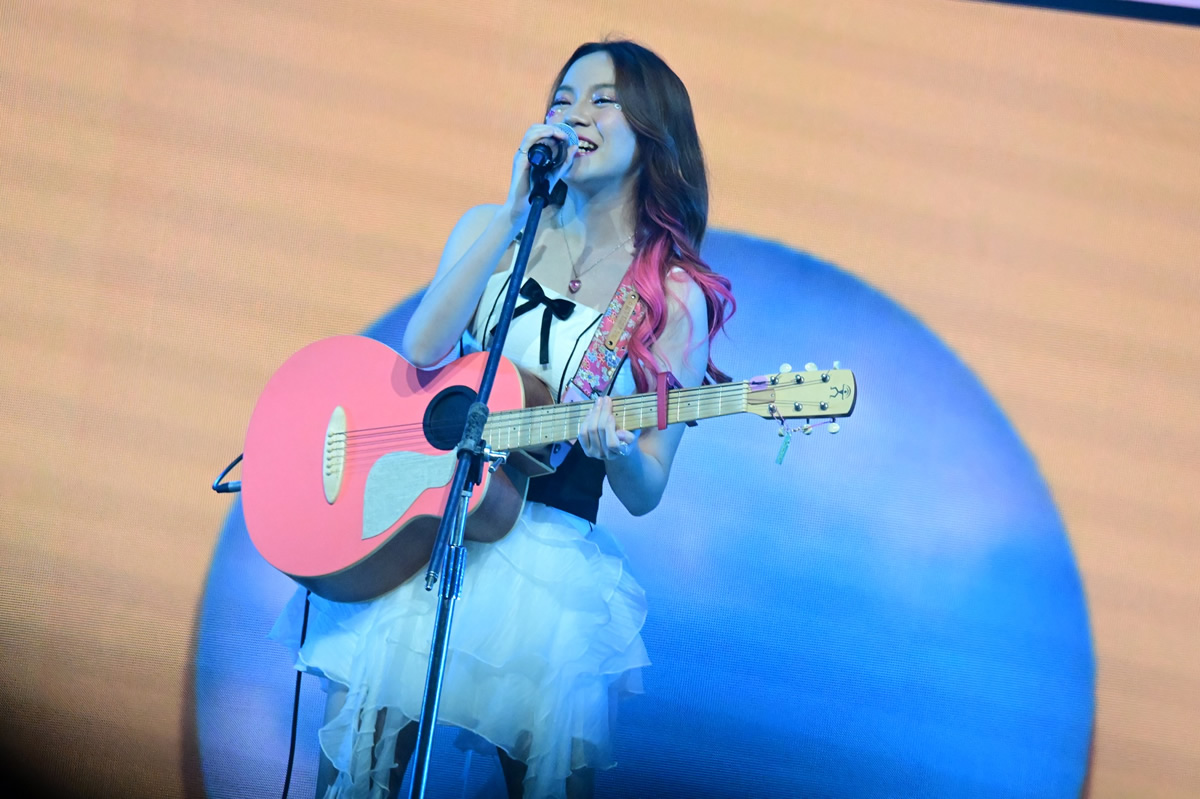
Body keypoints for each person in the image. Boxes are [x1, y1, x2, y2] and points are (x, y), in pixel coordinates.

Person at [271, 39, 735, 799]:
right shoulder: (493, 227)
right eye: (562, 99)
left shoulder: (671, 294)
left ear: (652, 129)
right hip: (427, 527)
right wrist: (516, 208)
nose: (574, 115)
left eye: (602, 100)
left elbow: (648, 486)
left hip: (545, 556)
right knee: (359, 773)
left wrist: (617, 450)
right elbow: (423, 347)